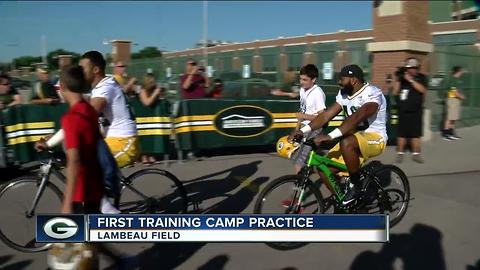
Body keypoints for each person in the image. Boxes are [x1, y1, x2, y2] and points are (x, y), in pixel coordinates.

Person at [37, 51, 139, 214]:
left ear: (96, 69)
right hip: (113, 140)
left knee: (87, 170)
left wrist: (51, 141)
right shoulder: (102, 86)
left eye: (83, 68)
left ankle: (113, 216)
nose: (81, 72)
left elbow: (79, 120)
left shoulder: (105, 88)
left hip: (123, 142)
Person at [291, 64, 388, 206]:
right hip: (353, 139)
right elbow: (325, 117)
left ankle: (356, 186)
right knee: (324, 169)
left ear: (353, 80)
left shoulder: (373, 93)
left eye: (342, 79)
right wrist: (302, 131)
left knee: (346, 142)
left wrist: (330, 136)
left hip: (375, 138)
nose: (339, 82)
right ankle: (343, 201)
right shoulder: (343, 94)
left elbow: (357, 117)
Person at [291, 64, 326, 173]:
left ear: (314, 79)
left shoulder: (318, 93)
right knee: (295, 154)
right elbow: (302, 110)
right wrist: (297, 129)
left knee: (300, 160)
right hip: (304, 127)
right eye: (300, 79)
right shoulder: (303, 90)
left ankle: (298, 185)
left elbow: (322, 117)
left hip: (315, 127)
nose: (301, 82)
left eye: (305, 80)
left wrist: (303, 116)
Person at [392, 58, 428, 163]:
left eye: (413, 68)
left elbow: (423, 90)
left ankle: (416, 154)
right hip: (403, 110)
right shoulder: (402, 79)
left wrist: (411, 80)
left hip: (416, 111)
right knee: (401, 134)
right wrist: (399, 79)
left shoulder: (421, 77)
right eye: (409, 68)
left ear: (417, 68)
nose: (411, 70)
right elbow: (395, 92)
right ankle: (400, 153)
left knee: (415, 134)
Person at [138, 73, 165, 165]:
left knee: (153, 136)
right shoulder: (142, 90)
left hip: (153, 117)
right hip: (144, 118)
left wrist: (160, 94)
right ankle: (144, 156)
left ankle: (151, 155)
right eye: (152, 81)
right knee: (145, 137)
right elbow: (147, 102)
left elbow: (161, 100)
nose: (154, 83)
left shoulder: (154, 89)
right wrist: (155, 93)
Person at [442, 66, 465, 141]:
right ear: (458, 71)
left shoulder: (457, 79)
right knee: (449, 117)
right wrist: (461, 96)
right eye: (461, 71)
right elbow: (453, 92)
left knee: (453, 118)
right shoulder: (452, 79)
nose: (462, 72)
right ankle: (445, 134)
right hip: (452, 100)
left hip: (456, 100)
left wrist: (460, 96)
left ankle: (451, 133)